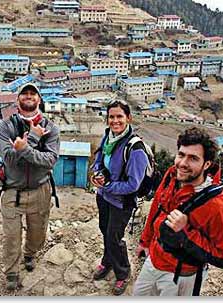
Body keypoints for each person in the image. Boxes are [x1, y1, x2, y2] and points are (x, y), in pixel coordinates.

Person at [133, 127, 223, 296]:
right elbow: (157, 207)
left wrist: (185, 232)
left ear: (207, 164)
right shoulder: (173, 175)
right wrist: (145, 241)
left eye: (193, 158)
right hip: (154, 260)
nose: (182, 163)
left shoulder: (217, 204)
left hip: (181, 276)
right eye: (181, 154)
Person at [0, 83, 60, 290]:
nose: (29, 96)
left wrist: (23, 147)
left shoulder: (50, 127)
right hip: (12, 192)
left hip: (40, 190)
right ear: (17, 100)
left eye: (33, 93)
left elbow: (50, 160)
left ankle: (30, 254)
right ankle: (12, 271)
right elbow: (9, 159)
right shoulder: (5, 126)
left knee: (37, 234)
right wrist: (33, 139)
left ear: (39, 100)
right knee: (11, 237)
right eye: (25, 93)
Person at [90, 100, 148, 295]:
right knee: (104, 230)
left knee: (114, 236)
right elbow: (99, 159)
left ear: (128, 118)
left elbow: (133, 184)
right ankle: (107, 262)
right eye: (112, 117)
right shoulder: (108, 137)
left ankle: (122, 273)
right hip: (104, 196)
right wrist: (97, 173)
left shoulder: (135, 147)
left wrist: (107, 185)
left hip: (121, 202)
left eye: (119, 117)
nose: (115, 121)